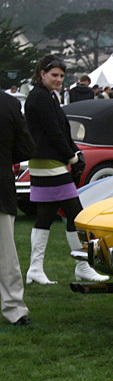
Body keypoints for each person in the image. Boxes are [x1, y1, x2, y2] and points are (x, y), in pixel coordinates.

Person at [24, 55, 107, 284]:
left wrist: (74, 152)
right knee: (74, 213)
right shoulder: (41, 97)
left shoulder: (46, 96)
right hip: (49, 162)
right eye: (54, 75)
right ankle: (82, 266)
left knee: (47, 215)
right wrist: (72, 155)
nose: (59, 79)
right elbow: (54, 132)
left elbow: (61, 130)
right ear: (42, 74)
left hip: (47, 161)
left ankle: (36, 268)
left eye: (61, 75)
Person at [0, 89, 34, 325]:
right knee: (5, 254)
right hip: (1, 185)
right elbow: (26, 148)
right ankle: (14, 308)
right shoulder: (9, 104)